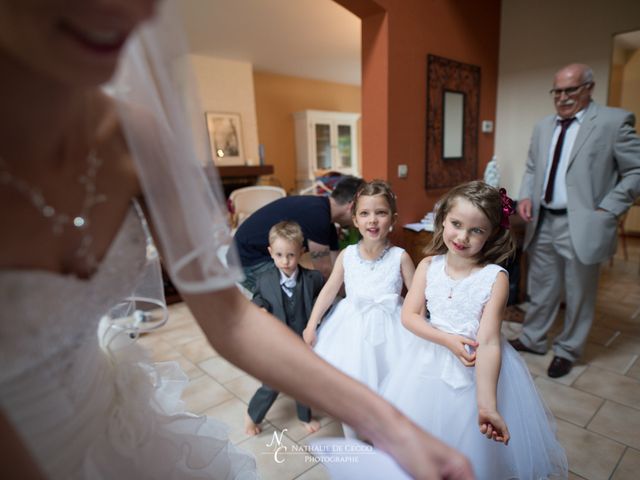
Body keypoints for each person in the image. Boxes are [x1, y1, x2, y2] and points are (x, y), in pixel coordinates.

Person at [0, 1, 475, 479]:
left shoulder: (134, 136)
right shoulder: (321, 223)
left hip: (105, 423)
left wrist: (392, 425)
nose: (126, 11)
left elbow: (229, 318)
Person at [382, 181, 568, 479]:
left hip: (475, 370)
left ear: (491, 234)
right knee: (422, 444)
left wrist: (487, 404)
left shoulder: (495, 279)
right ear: (443, 218)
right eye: (456, 224)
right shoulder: (428, 265)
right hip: (426, 362)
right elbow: (410, 316)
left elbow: (490, 342)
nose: (463, 237)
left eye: (476, 230)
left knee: (469, 448)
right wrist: (446, 339)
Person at [512, 63, 640, 378]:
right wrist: (526, 195)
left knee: (579, 291)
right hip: (543, 221)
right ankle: (533, 338)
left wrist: (610, 207)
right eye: (558, 91)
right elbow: (531, 167)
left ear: (589, 88)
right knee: (541, 287)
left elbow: (636, 170)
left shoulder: (613, 121)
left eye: (571, 90)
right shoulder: (543, 126)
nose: (563, 97)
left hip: (582, 225)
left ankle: (568, 349)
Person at [303, 181, 415, 437]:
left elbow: (418, 298)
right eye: (365, 213)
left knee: (391, 389)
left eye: (381, 213)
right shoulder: (347, 256)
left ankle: (385, 440)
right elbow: (329, 291)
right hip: (352, 332)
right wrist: (311, 325)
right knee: (351, 389)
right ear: (354, 219)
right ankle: (355, 442)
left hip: (392, 332)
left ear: (393, 219)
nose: (372, 220)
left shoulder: (401, 257)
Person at [244, 221, 324, 436]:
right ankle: (253, 415)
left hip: (302, 341)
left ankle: (304, 416)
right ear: (271, 253)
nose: (286, 261)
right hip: (276, 343)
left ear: (301, 252)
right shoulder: (264, 280)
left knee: (303, 381)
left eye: (291, 255)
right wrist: (259, 308)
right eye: (279, 255)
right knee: (271, 383)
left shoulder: (313, 279)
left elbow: (322, 301)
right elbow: (258, 298)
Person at [233, 175, 364, 292]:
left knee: (306, 286)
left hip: (253, 254)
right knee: (296, 298)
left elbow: (337, 267)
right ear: (351, 207)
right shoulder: (318, 216)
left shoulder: (325, 217)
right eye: (363, 212)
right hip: (246, 260)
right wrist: (350, 296)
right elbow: (324, 271)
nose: (362, 220)